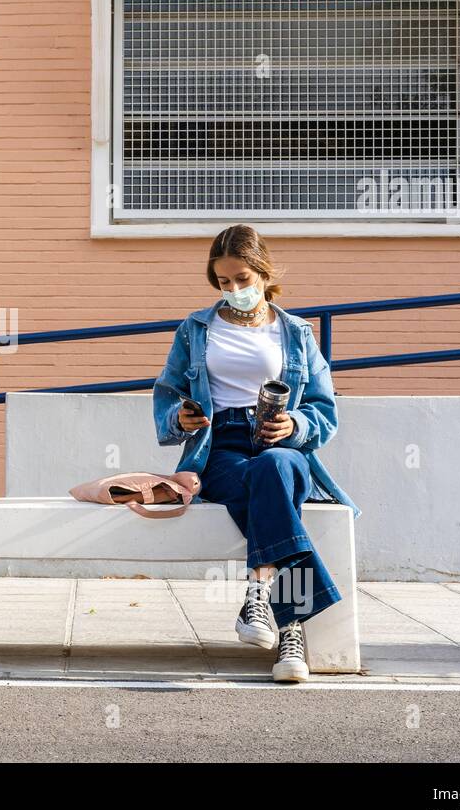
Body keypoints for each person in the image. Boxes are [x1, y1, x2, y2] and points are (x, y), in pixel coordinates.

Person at [153, 224, 361, 682]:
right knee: (266, 484)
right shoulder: (195, 329)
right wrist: (180, 418)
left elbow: (324, 408)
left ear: (264, 273)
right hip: (220, 447)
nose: (234, 290)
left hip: (283, 447)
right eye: (223, 282)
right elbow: (168, 390)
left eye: (243, 279)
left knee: (273, 466)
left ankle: (258, 599)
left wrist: (297, 423)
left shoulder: (297, 333)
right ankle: (289, 627)